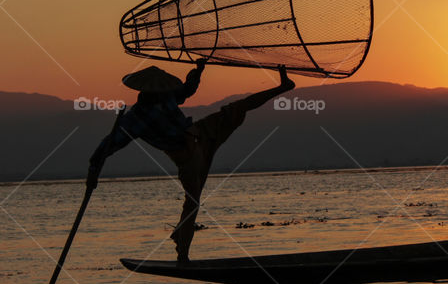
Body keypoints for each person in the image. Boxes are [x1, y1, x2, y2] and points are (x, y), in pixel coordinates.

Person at [87, 60, 295, 262]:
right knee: (192, 202)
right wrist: (93, 172)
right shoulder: (135, 119)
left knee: (239, 107)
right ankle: (182, 253)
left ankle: (283, 86)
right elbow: (108, 145)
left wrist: (198, 71)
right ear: (146, 92)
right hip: (186, 156)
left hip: (199, 134)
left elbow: (186, 91)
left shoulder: (165, 96)